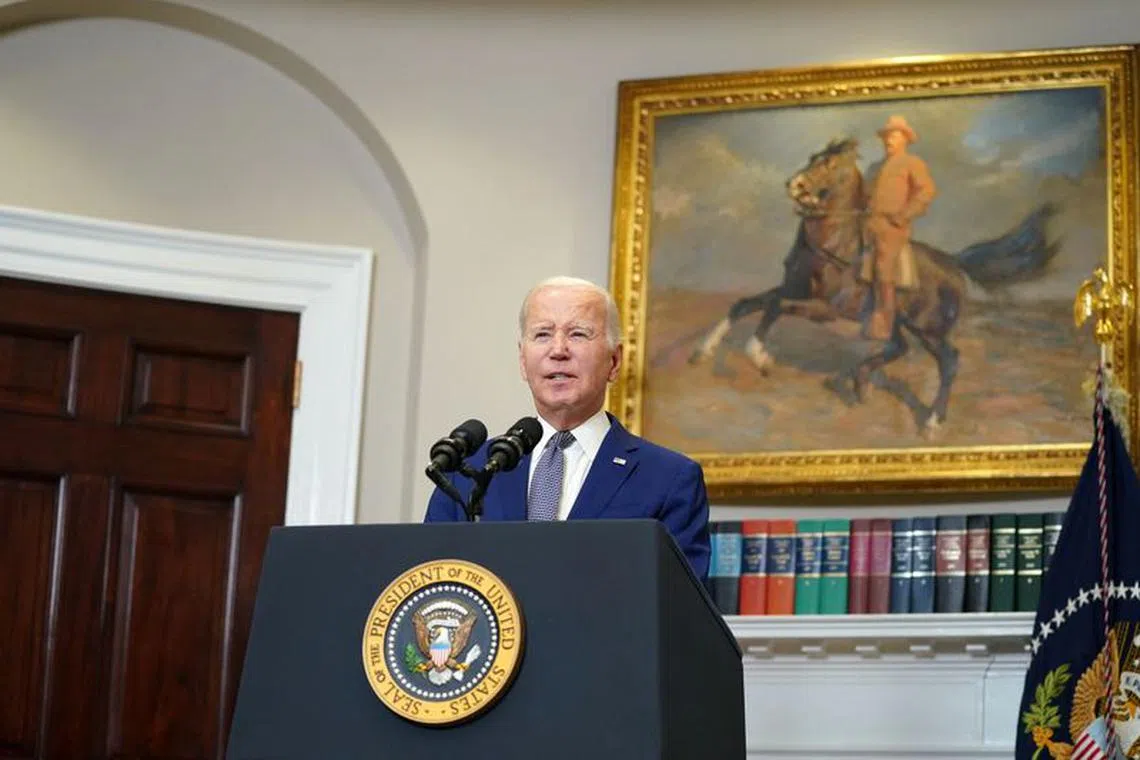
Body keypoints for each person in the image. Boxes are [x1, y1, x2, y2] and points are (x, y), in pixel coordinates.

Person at [424, 275, 711, 581]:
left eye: (577, 334)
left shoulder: (669, 479)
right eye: (543, 334)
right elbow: (429, 585)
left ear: (614, 361)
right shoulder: (469, 470)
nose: (558, 350)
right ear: (523, 360)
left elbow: (677, 611)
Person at [859, 114, 937, 340]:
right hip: (868, 224)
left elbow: (926, 192)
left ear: (905, 139)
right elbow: (864, 196)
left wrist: (904, 215)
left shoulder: (912, 163)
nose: (888, 140)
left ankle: (885, 319)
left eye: (894, 135)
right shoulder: (874, 167)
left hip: (893, 227)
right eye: (886, 136)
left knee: (884, 264)